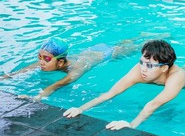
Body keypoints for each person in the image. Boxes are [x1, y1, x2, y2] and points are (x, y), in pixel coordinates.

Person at [63, 39, 185, 130]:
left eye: (150, 65)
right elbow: (110, 93)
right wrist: (80, 108)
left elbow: (153, 104)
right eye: (142, 62)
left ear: (164, 68)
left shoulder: (176, 78)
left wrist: (131, 124)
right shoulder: (140, 69)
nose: (143, 69)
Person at [0, 36, 145, 101]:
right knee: (124, 42)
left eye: (47, 59)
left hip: (108, 54)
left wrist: (36, 97)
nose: (41, 62)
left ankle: (149, 37)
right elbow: (19, 72)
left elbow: (56, 85)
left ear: (61, 63)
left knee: (136, 47)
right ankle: (134, 38)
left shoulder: (76, 70)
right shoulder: (48, 61)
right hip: (94, 49)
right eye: (40, 57)